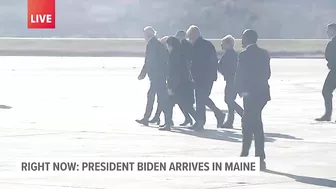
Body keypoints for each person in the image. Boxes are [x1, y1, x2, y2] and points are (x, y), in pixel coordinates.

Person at [235, 29, 271, 171]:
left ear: (247, 39)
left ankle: (253, 155)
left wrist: (241, 90)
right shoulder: (264, 53)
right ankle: (253, 154)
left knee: (251, 123)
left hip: (250, 94)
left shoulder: (244, 55)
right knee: (252, 121)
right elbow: (267, 74)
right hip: (261, 94)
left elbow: (240, 74)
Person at [186, 25, 225, 131]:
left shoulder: (198, 46)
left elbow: (197, 62)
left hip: (202, 76)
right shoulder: (207, 44)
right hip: (207, 76)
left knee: (200, 99)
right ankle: (218, 114)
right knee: (203, 98)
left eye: (190, 37)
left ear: (193, 35)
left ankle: (200, 122)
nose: (189, 39)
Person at [135, 26, 172, 128]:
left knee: (156, 97)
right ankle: (155, 118)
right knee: (158, 97)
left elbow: (149, 61)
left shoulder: (152, 44)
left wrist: (142, 74)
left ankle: (156, 119)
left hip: (157, 76)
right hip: (159, 76)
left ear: (148, 35)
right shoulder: (157, 43)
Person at [160, 36, 197, 131]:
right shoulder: (180, 54)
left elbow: (173, 73)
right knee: (186, 105)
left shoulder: (173, 56)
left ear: (170, 45)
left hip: (177, 85)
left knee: (167, 104)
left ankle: (168, 124)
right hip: (184, 84)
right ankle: (198, 119)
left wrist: (171, 87)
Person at [218, 35, 244, 129]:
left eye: (223, 44)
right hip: (233, 80)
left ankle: (243, 115)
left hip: (231, 80)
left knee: (228, 100)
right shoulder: (233, 54)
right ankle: (230, 121)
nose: (221, 46)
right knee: (229, 101)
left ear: (228, 44)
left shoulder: (229, 55)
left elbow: (224, 67)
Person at [315, 23, 336, 122]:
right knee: (326, 91)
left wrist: (331, 63)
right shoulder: (333, 41)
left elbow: (330, 55)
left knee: (326, 91)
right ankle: (327, 115)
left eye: (329, 30)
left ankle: (328, 115)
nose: (327, 32)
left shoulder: (334, 42)